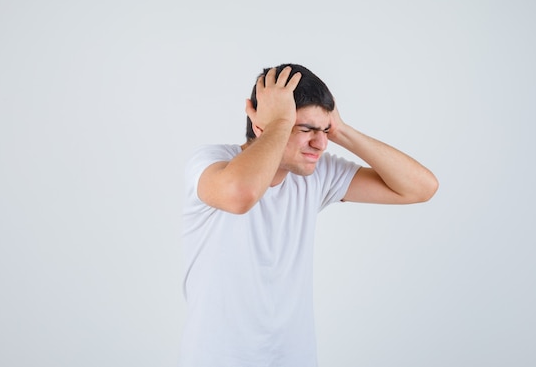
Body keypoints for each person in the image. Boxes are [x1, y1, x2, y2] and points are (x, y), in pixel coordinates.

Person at [180, 63, 438, 367]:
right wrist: (277, 124)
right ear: (262, 124)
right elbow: (240, 196)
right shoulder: (211, 162)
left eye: (324, 130)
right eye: (305, 129)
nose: (321, 143)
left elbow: (420, 188)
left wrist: (342, 130)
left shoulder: (315, 173)